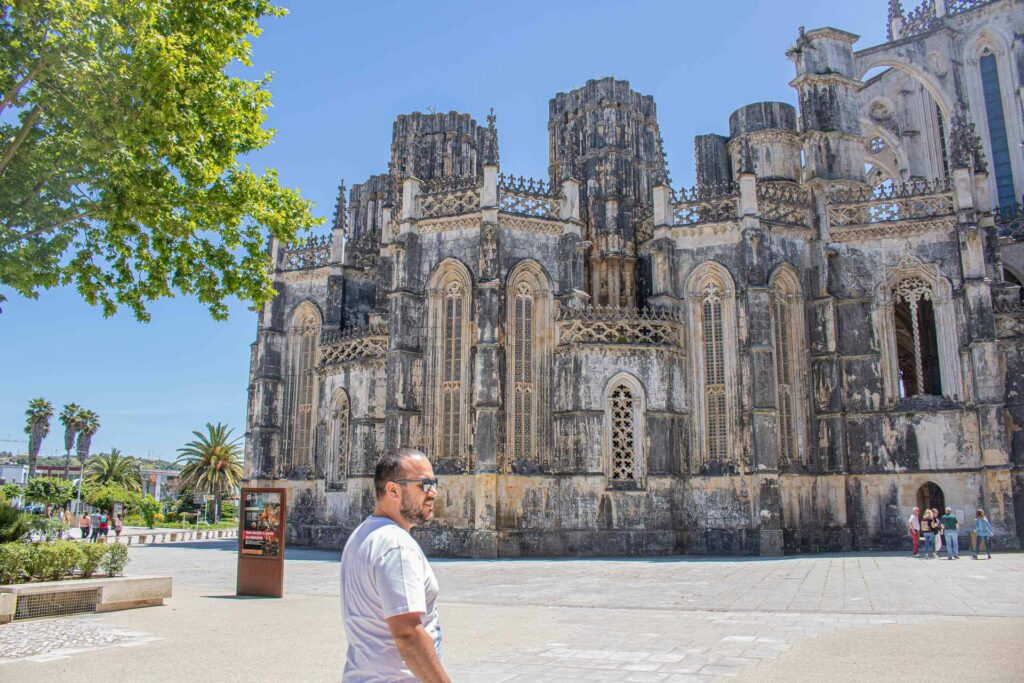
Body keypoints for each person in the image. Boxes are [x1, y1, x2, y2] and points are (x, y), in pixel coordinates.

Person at [340, 447, 449, 683]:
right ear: (392, 489)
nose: (433, 493)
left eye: (434, 483)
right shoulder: (396, 546)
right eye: (424, 484)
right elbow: (407, 633)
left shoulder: (363, 535)